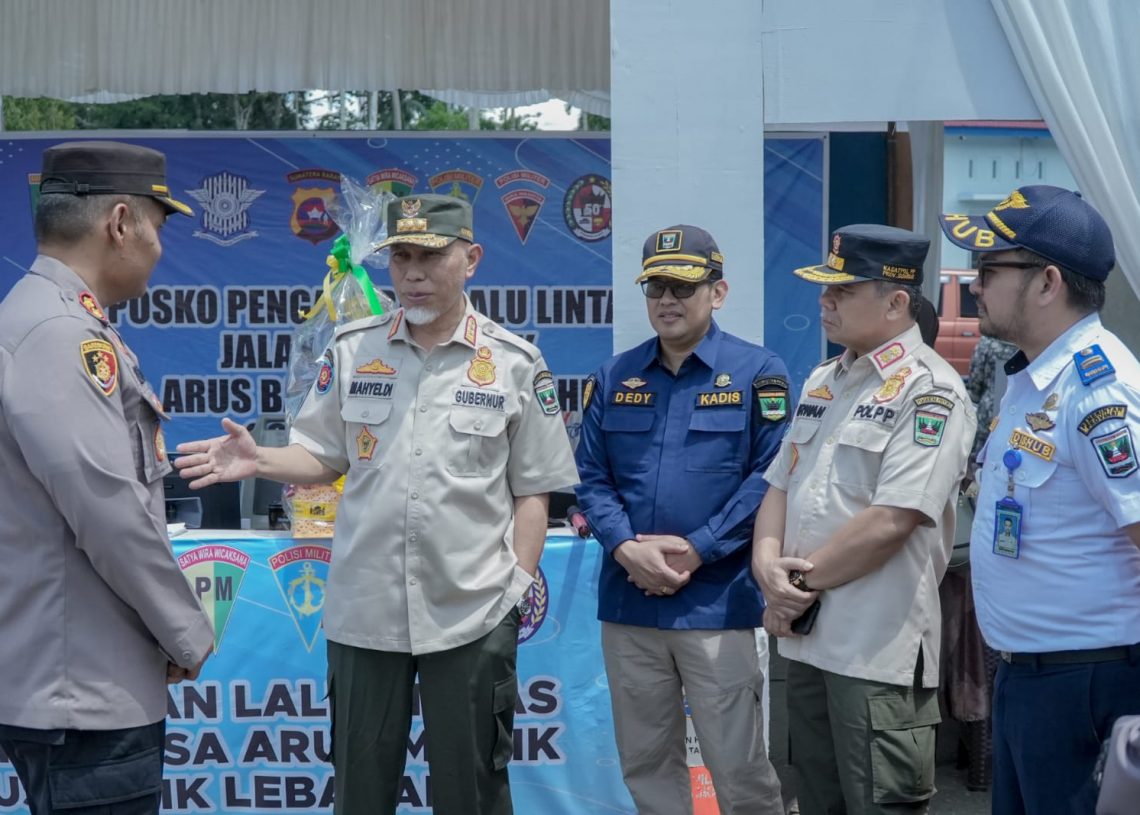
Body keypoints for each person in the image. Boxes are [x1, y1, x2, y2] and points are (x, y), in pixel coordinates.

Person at [175, 193, 579, 815]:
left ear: (471, 259)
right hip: (365, 613)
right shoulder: (353, 348)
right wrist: (259, 460)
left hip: (470, 611)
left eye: (429, 257)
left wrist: (515, 589)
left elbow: (534, 489)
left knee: (471, 790)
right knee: (360, 792)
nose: (411, 273)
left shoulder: (513, 363)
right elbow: (323, 457)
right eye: (399, 258)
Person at [0, 141, 214, 814]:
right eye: (160, 222)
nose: (159, 244)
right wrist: (185, 630)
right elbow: (107, 507)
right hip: (85, 691)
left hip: (77, 676)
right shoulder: (63, 335)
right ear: (120, 221)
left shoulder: (48, 320)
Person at [752, 224, 975, 815]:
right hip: (807, 638)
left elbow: (892, 521)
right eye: (825, 289)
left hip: (874, 651)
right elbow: (779, 485)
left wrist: (792, 588)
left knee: (882, 805)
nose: (824, 301)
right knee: (818, 802)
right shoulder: (825, 380)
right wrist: (767, 571)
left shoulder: (932, 390)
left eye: (842, 291)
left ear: (896, 301)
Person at [940, 185, 1140, 814]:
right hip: (1033, 677)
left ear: (1048, 281)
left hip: (1088, 684)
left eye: (990, 269)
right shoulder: (1035, 376)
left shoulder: (1099, 392)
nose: (976, 284)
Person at [574, 225, 788, 814]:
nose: (667, 300)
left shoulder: (758, 373)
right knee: (646, 767)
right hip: (630, 602)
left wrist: (697, 548)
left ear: (717, 293)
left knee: (739, 768)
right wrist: (624, 548)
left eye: (684, 286)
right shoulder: (613, 377)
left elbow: (769, 480)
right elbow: (590, 478)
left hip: (715, 604)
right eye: (656, 287)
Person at [965, 335, 1018, 464]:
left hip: (988, 411)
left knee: (978, 460)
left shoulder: (988, 342)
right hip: (1017, 412)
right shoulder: (1028, 342)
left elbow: (976, 379)